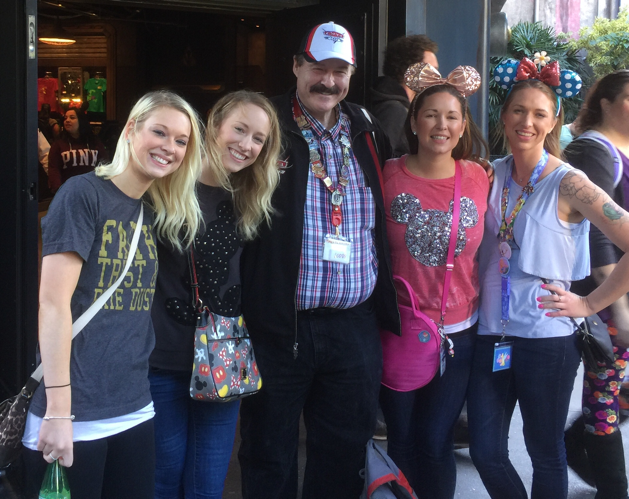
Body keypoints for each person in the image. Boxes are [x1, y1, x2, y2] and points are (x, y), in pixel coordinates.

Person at [238, 21, 400, 499]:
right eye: (317, 68)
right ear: (296, 66)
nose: (328, 81)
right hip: (279, 327)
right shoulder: (265, 125)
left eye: (339, 71)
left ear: (351, 74)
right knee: (268, 453)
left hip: (354, 328)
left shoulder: (368, 129)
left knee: (343, 454)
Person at [21, 90, 204, 499]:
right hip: (74, 412)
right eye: (160, 132)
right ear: (132, 129)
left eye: (181, 140)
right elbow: (53, 305)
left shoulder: (154, 208)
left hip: (135, 405)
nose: (169, 147)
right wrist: (59, 412)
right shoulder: (83, 194)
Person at [467, 58, 629, 499]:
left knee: (544, 452)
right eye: (519, 110)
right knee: (485, 450)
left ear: (554, 121)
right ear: (503, 115)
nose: (527, 122)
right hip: (491, 333)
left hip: (547, 339)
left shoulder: (569, 182)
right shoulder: (490, 173)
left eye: (539, 113)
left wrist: (589, 304)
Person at [149, 90, 281, 499]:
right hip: (161, 359)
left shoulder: (251, 196)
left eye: (258, 139)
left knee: (207, 485)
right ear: (214, 124)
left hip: (223, 361)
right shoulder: (163, 184)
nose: (246, 145)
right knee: (162, 479)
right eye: (239, 129)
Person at [379, 62, 489, 499]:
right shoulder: (386, 174)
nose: (441, 125)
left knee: (436, 440)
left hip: (458, 334)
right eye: (431, 114)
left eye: (451, 117)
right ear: (413, 122)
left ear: (462, 127)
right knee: (401, 439)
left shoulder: (479, 176)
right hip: (400, 329)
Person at [562, 70, 629, 499]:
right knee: (603, 395)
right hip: (608, 295)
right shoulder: (595, 150)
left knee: (609, 390)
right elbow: (598, 231)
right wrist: (617, 307)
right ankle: (612, 488)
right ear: (605, 103)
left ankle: (575, 442)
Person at [370, 35, 438, 157]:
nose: (437, 77)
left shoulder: (399, 106)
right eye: (431, 70)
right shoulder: (394, 110)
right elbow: (377, 159)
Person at [48, 107, 108, 193]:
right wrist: (59, 191)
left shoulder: (94, 142)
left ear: (81, 120)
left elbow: (104, 164)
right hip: (68, 191)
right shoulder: (59, 144)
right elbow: (54, 170)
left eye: (72, 118)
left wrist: (104, 187)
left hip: (92, 190)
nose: (67, 120)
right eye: (65, 118)